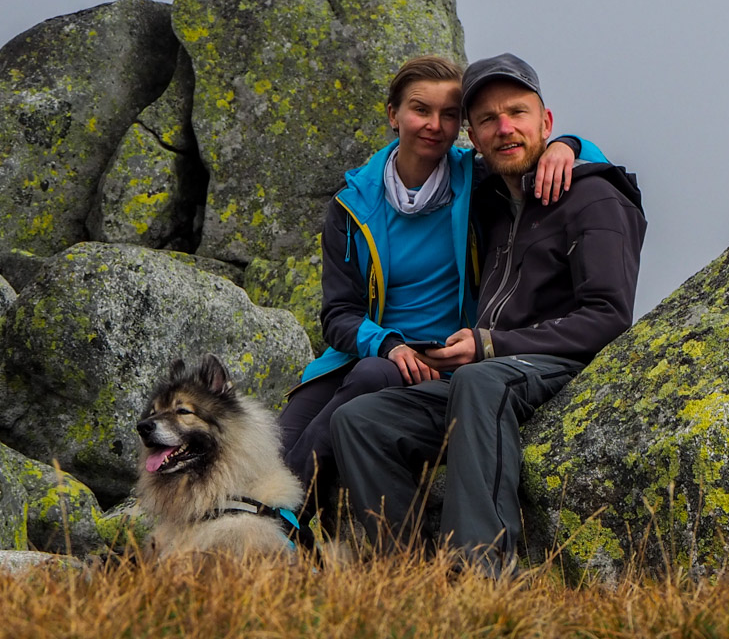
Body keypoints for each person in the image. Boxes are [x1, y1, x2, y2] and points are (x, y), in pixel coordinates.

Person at [329, 53, 647, 573]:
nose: (505, 129)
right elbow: (398, 181)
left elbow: (610, 316)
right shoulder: (489, 199)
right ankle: (399, 578)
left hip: (563, 365)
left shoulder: (594, 198)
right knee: (360, 419)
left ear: (545, 122)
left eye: (518, 114)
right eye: (487, 120)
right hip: (490, 369)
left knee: (480, 382)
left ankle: (480, 571)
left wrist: (491, 345)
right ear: (472, 139)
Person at [276, 55, 598, 512]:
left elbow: (586, 161)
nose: (434, 124)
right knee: (283, 434)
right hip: (368, 351)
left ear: (463, 128)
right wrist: (386, 343)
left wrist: (567, 145)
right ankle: (238, 534)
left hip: (443, 359)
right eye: (420, 109)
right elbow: (338, 314)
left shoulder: (479, 181)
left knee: (359, 391)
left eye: (449, 114)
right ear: (393, 115)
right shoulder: (352, 204)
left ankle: (285, 518)